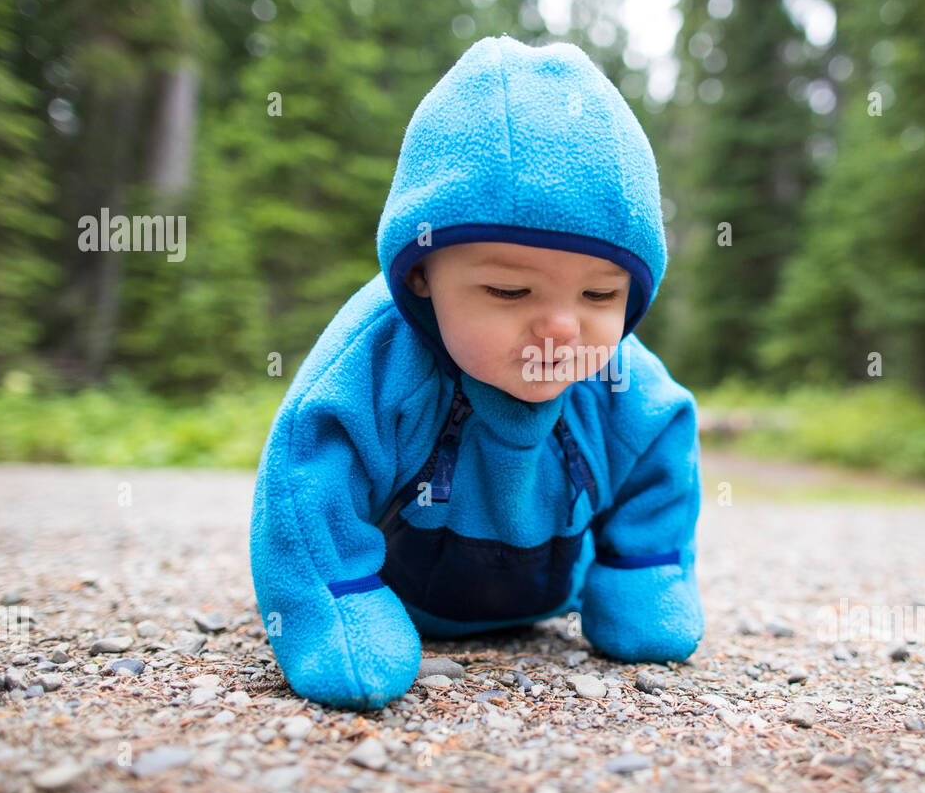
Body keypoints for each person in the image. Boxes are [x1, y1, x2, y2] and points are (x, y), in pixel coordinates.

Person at [249, 35, 704, 710]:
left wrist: (644, 572)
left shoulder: (622, 387)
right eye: (510, 293)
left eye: (601, 296)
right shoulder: (375, 364)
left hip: (546, 598)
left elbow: (661, 465)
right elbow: (306, 476)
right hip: (396, 588)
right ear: (423, 275)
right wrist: (330, 603)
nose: (560, 327)